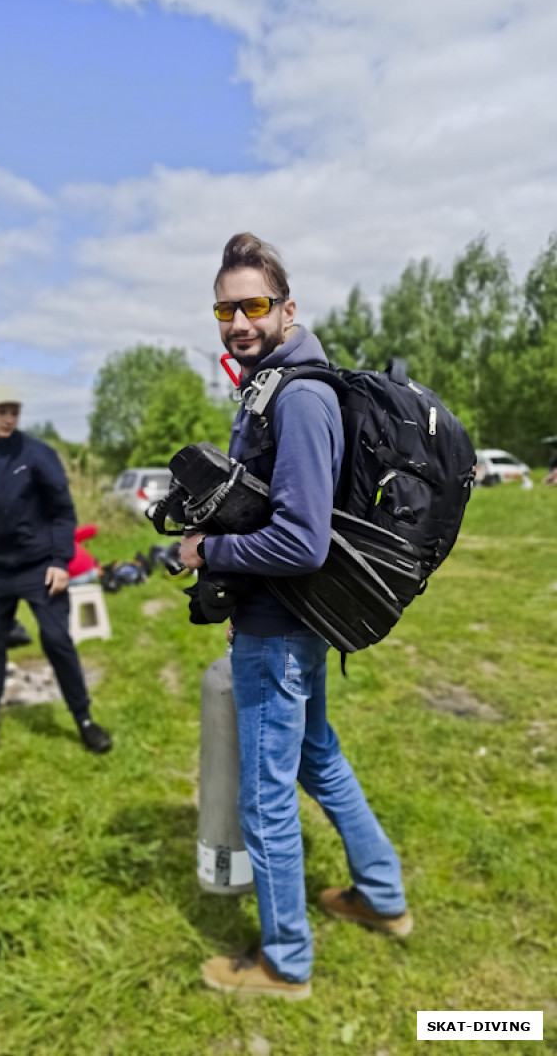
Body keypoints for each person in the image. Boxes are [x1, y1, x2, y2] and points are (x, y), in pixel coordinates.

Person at [179, 233, 411, 1000]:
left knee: (266, 800)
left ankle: (285, 963)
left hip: (280, 628)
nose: (238, 321)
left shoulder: (301, 395)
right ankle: (380, 894)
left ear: (286, 308)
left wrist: (208, 553)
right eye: (225, 308)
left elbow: (302, 541)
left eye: (253, 304)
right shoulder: (267, 385)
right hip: (284, 622)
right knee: (319, 759)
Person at [0, 388, 112, 754]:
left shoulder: (38, 454)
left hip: (40, 568)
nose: (9, 418)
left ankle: (85, 721)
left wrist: (60, 562)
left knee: (57, 640)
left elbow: (62, 511)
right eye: (2, 411)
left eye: (15, 411)